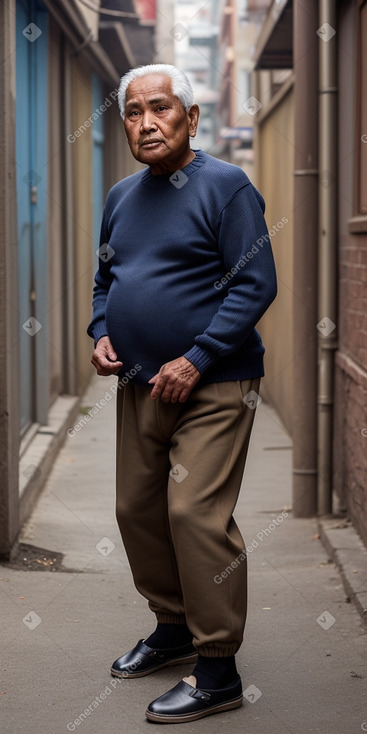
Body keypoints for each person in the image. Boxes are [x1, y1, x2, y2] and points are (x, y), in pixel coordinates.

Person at [87, 63, 277, 724]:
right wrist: (100, 330)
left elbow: (254, 286)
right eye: (133, 112)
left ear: (190, 118)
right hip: (140, 383)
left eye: (160, 109)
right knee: (136, 511)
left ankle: (217, 666)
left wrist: (195, 358)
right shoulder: (120, 196)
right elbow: (106, 279)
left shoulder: (224, 188)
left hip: (216, 383)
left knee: (193, 513)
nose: (145, 123)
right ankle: (171, 630)